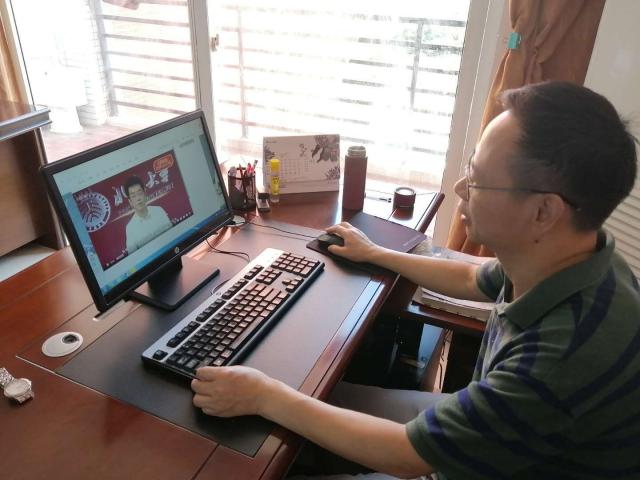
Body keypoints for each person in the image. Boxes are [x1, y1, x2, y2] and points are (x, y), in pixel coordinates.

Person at [191, 82, 640, 479]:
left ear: (544, 211)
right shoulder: (573, 254)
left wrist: (265, 396)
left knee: (280, 419)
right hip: (488, 436)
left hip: (456, 463)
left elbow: (408, 456)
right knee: (322, 397)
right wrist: (376, 253)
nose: (461, 188)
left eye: (478, 180)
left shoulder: (565, 355)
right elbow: (473, 276)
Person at [124, 175, 172, 254]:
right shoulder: (130, 228)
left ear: (144, 193)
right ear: (130, 201)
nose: (138, 198)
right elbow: (134, 255)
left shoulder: (159, 210)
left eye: (139, 193)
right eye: (133, 196)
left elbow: (171, 234)